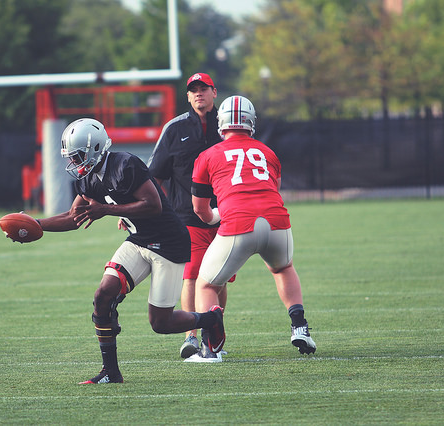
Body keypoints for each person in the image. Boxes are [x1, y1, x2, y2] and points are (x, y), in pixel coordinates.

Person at [35, 118, 225, 384]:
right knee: (103, 295)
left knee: (161, 323)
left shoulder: (125, 164)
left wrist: (107, 209)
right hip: (139, 239)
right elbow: (73, 216)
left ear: (95, 148)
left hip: (168, 243)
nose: (74, 163)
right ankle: (111, 372)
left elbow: (154, 204)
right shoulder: (87, 180)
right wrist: (35, 226)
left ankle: (210, 319)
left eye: (78, 156)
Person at [191, 95, 316, 356]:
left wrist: (216, 217)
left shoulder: (207, 155)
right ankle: (299, 326)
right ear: (251, 122)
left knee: (206, 286)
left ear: (221, 122)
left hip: (238, 223)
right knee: (283, 268)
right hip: (276, 222)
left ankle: (209, 348)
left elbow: (200, 209)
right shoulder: (267, 152)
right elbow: (274, 191)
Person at [147, 72, 232, 361]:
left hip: (225, 213)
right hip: (186, 214)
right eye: (193, 90)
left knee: (219, 278)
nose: (199, 94)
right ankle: (191, 336)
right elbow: (155, 175)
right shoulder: (174, 129)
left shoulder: (228, 127)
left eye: (204, 89)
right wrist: (145, 209)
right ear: (187, 96)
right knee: (193, 274)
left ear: (214, 92)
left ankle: (215, 331)